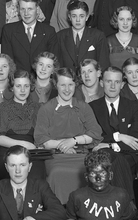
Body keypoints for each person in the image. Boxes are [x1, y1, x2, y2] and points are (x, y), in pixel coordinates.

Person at [34, 67, 103, 201]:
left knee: (90, 171)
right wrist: (64, 146)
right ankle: (58, 209)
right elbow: (42, 140)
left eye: (70, 85)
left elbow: (95, 133)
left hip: (81, 155)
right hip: (56, 156)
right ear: (56, 85)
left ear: (75, 85)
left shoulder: (83, 107)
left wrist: (73, 141)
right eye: (63, 85)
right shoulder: (46, 109)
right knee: (57, 173)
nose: (67, 89)